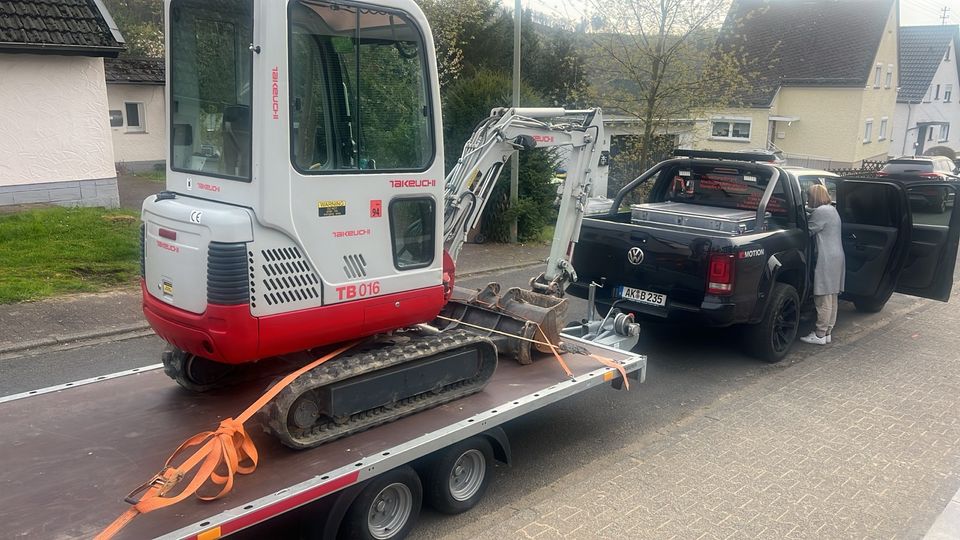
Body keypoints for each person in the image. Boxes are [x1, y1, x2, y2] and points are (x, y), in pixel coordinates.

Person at [801, 184, 845, 345]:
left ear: (813, 197)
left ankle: (819, 334)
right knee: (831, 297)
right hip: (836, 256)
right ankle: (827, 333)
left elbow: (808, 230)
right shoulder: (831, 209)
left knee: (823, 297)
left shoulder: (821, 212)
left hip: (826, 257)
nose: (807, 199)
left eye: (808, 197)